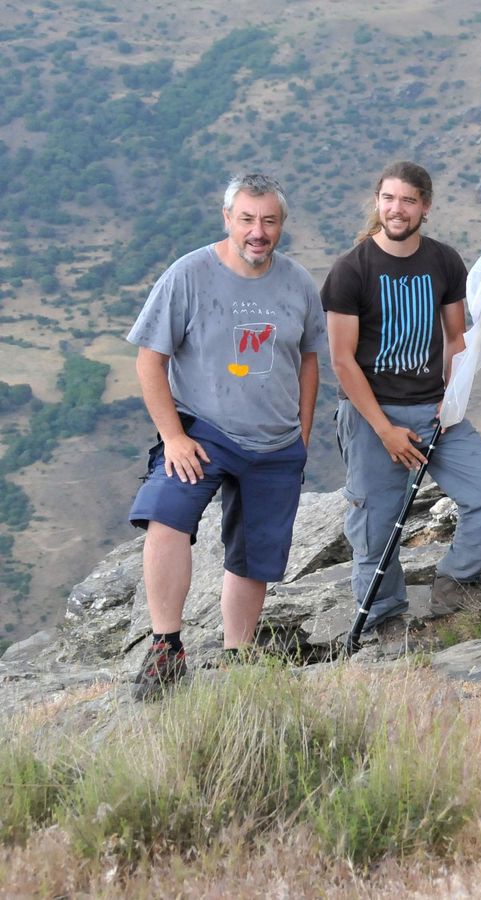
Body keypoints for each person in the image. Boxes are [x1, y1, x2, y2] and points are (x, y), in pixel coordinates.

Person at [125, 173, 326, 698]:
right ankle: (166, 648)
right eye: (247, 219)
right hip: (204, 430)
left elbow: (308, 361)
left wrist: (300, 435)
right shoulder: (188, 275)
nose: (257, 231)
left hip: (276, 442)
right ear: (227, 219)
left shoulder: (299, 283)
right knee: (166, 512)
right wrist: (172, 437)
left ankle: (236, 657)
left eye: (268, 221)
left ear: (281, 224)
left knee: (253, 554)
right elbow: (150, 361)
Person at [323, 161, 481, 631]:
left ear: (425, 206)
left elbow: (455, 340)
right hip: (372, 416)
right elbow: (343, 362)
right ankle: (385, 619)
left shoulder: (444, 261)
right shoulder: (351, 270)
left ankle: (458, 582)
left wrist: (453, 401)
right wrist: (384, 430)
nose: (397, 209)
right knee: (375, 528)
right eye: (389, 198)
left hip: (435, 410)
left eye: (408, 200)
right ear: (377, 202)